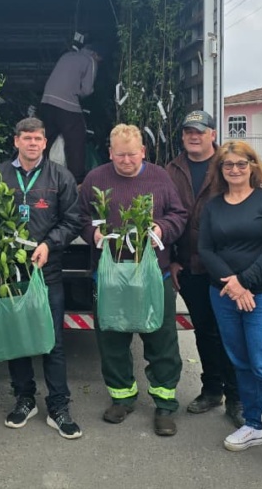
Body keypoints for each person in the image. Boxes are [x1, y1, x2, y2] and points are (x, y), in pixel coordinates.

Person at [79, 124, 188, 436]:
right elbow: (81, 216)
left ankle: (165, 403)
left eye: (132, 154)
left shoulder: (160, 178)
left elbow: (179, 215)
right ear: (110, 152)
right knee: (112, 336)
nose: (126, 160)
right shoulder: (95, 179)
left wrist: (162, 229)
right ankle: (122, 398)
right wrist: (92, 234)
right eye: (120, 155)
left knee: (161, 336)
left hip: (154, 273)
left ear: (143, 151)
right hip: (111, 274)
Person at [198, 140, 262, 479]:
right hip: (224, 294)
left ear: (253, 167)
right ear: (220, 171)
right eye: (229, 165)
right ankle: (253, 426)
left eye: (242, 164)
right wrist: (232, 283)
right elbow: (206, 250)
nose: (236, 170)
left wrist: (245, 282)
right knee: (240, 361)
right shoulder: (213, 206)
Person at [0, 118, 85, 439]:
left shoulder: (60, 176)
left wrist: (49, 243)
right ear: (15, 141)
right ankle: (24, 399)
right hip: (10, 272)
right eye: (26, 138)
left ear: (45, 143)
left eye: (38, 139)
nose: (32, 143)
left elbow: (73, 220)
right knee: (17, 337)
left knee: (52, 341)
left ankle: (58, 405)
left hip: (47, 271)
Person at [164, 110, 243, 427]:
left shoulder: (230, 166)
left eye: (199, 131)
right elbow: (166, 213)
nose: (193, 136)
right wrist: (172, 258)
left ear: (213, 133)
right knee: (205, 333)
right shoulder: (172, 169)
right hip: (189, 265)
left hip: (225, 267)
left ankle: (237, 397)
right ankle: (212, 390)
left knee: (232, 334)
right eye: (188, 132)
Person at [40, 42, 101, 183]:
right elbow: (87, 90)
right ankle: (77, 181)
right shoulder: (90, 60)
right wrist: (78, 93)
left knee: (44, 139)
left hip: (46, 101)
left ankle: (37, 171)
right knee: (76, 138)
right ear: (95, 54)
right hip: (66, 104)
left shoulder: (67, 55)